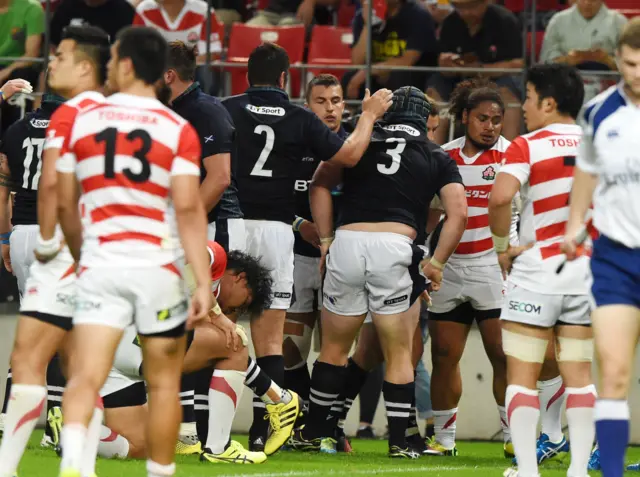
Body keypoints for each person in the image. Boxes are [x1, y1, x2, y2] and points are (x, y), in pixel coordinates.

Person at [55, 26, 211, 477]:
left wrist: (83, 253)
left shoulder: (84, 119)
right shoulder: (177, 128)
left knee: (85, 377)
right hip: (157, 270)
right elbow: (187, 210)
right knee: (163, 385)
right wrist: (201, 281)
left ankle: (75, 470)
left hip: (102, 263)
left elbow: (65, 202)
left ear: (124, 65)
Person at [221, 42, 393, 451]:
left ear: (247, 76)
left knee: (220, 328)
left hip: (231, 225)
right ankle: (267, 429)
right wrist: (368, 115)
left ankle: (210, 428)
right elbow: (349, 155)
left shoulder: (225, 108)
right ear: (286, 78)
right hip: (281, 234)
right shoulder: (299, 120)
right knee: (270, 339)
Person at [290, 86, 467, 458]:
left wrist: (325, 239)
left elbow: (320, 183)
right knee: (399, 352)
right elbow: (459, 213)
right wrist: (435, 264)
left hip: (348, 242)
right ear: (423, 120)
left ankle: (316, 434)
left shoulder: (362, 140)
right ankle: (400, 441)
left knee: (334, 349)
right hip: (395, 246)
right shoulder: (436, 154)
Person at [0, 25, 111, 477]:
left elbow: (7, 184)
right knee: (71, 346)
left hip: (24, 232)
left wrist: (6, 237)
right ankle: (65, 433)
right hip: (67, 237)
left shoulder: (21, 127)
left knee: (31, 344)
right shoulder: (87, 118)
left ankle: (20, 434)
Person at [489, 63, 594, 477]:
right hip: (586, 271)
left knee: (522, 376)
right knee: (580, 377)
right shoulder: (599, 144)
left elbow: (500, 200)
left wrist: (502, 247)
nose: (525, 107)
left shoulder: (526, 145)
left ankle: (528, 471)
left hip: (536, 273)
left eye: (529, 98)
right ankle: (580, 470)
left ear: (549, 102)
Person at [89, 243, 282, 464]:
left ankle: (76, 435)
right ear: (241, 279)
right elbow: (195, 252)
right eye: (244, 302)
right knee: (235, 341)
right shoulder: (216, 257)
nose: (235, 310)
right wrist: (218, 314)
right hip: (135, 336)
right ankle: (219, 448)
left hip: (110, 347)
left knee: (140, 446)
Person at [562, 18, 640, 477]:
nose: (638, 74)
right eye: (630, 64)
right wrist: (574, 225)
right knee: (612, 372)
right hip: (614, 258)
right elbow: (586, 174)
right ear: (619, 60)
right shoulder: (597, 112)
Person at [425, 78, 512, 457]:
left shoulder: (513, 156)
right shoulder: (443, 156)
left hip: (493, 268)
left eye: (496, 119)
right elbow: (431, 215)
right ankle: (444, 441)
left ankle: (514, 438)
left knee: (502, 354)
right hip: (450, 268)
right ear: (465, 118)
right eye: (482, 118)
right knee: (444, 355)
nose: (490, 126)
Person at [283, 74, 347, 406]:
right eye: (321, 101)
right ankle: (303, 413)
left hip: (341, 260)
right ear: (307, 106)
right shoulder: (292, 147)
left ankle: (326, 426)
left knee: (334, 349)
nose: (330, 109)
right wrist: (298, 224)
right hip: (295, 256)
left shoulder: (354, 148)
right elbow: (270, 198)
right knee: (292, 348)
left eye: (335, 101)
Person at [427, 0, 523, 143]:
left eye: (471, 7)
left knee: (507, 93)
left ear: (485, 3)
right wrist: (446, 64)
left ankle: (510, 156)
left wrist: (482, 69)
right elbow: (442, 61)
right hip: (458, 78)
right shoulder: (451, 22)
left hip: (496, 78)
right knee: (434, 89)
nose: (466, 12)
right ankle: (432, 152)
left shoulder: (505, 20)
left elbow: (518, 64)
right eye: (460, 8)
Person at [343, 0, 438, 100]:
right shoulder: (363, 16)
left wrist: (366, 72)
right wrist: (367, 25)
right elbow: (357, 62)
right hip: (376, 74)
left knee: (399, 76)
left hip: (412, 75)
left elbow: (407, 61)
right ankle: (355, 114)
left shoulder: (418, 15)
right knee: (349, 77)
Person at [0, 0, 44, 134]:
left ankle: (14, 138)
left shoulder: (32, 8)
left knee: (21, 78)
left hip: (17, 68)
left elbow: (31, 55)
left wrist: (4, 73)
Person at [133, 0, 223, 64]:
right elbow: (137, 50)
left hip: (192, 74)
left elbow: (211, 53)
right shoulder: (144, 9)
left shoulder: (203, 10)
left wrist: (181, 68)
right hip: (156, 72)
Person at [49, 0, 135, 47]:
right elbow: (53, 42)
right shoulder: (67, 6)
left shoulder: (124, 11)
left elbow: (124, 48)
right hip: (69, 62)